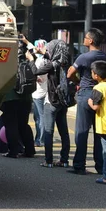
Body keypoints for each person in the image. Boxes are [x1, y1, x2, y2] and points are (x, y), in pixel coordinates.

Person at [67, 28, 106, 175]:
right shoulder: (105, 56)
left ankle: (79, 165)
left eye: (85, 37)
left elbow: (70, 73)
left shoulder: (83, 57)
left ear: (90, 41)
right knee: (98, 132)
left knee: (81, 132)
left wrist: (78, 82)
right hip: (100, 93)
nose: (84, 39)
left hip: (86, 94)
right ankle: (100, 166)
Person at [26, 39, 71, 168]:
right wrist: (43, 52)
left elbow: (35, 71)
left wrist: (31, 59)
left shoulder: (52, 65)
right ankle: (64, 160)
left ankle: (48, 160)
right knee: (64, 132)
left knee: (48, 131)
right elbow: (53, 57)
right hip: (63, 101)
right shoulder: (65, 62)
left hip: (51, 100)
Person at [0, 39, 36, 159]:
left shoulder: (4, 60)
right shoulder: (27, 61)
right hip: (26, 97)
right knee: (23, 125)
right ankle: (30, 150)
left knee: (11, 125)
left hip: (9, 97)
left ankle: (13, 151)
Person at [31, 39, 48, 147]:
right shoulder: (47, 60)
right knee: (40, 117)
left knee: (40, 118)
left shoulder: (39, 61)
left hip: (38, 93)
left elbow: (37, 76)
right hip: (44, 91)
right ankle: (40, 139)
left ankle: (40, 140)